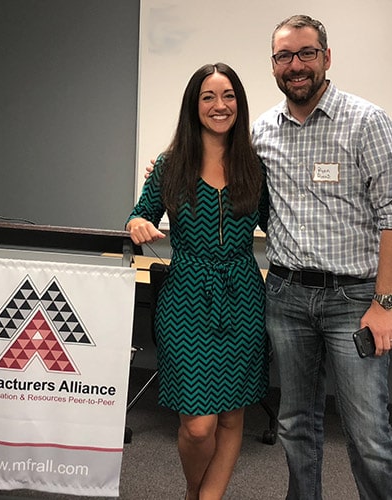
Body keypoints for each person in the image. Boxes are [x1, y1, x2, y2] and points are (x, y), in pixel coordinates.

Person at [253, 15, 392, 500]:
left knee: (367, 433)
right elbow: (222, 173)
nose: (295, 65)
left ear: (326, 57)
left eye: (306, 53)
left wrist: (383, 303)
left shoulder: (367, 122)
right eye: (284, 56)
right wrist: (165, 166)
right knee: (295, 423)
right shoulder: (262, 132)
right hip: (286, 296)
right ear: (274, 65)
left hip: (354, 301)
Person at [126, 62, 270, 500]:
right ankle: (194, 492)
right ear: (194, 105)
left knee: (231, 416)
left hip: (242, 296)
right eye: (208, 97)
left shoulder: (255, 167)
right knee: (198, 425)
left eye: (228, 96)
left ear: (239, 104)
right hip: (185, 297)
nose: (219, 105)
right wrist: (137, 224)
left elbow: (281, 224)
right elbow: (140, 214)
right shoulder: (170, 165)